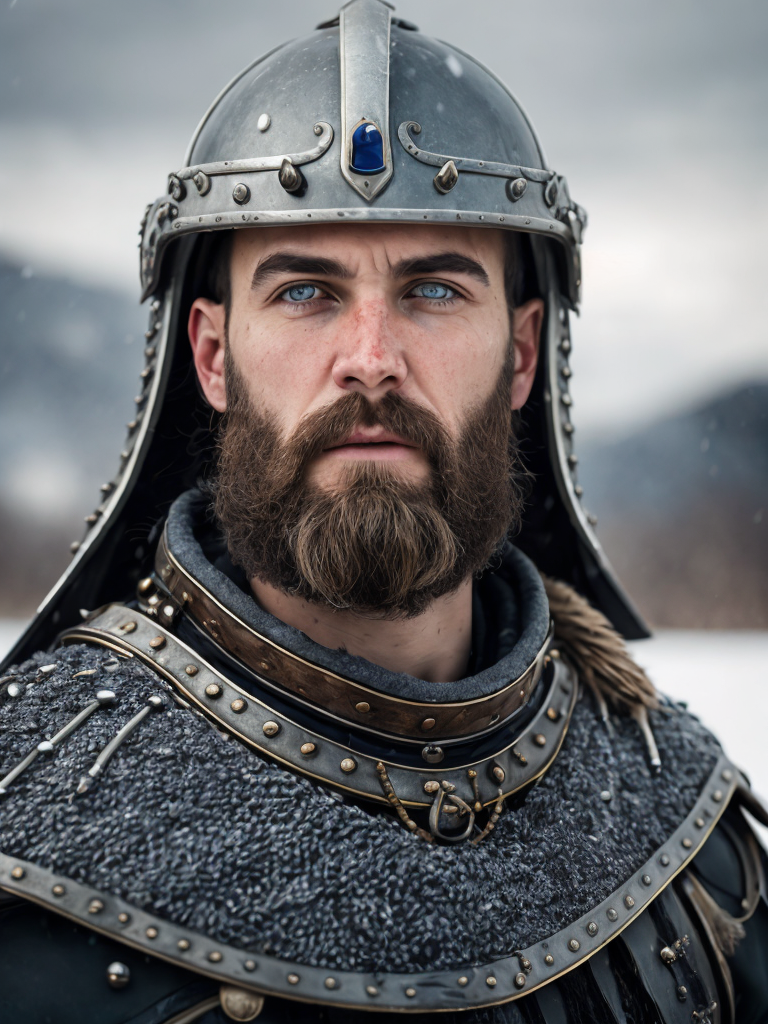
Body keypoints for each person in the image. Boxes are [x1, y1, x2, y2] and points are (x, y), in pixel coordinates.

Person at [1, 2, 766, 1021]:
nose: (370, 356)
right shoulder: (31, 806)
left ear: (523, 354)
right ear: (213, 355)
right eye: (307, 291)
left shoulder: (683, 831)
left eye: (435, 292)